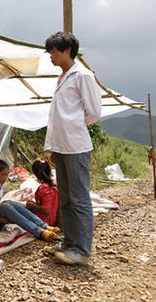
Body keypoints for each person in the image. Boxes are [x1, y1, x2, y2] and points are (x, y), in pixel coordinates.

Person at [43, 31, 102, 265]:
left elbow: (94, 112)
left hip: (76, 146)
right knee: (66, 198)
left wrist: (74, 127)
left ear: (67, 50)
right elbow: (58, 117)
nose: (51, 56)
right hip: (63, 146)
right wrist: (56, 146)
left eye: (54, 52)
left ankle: (82, 250)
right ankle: (69, 242)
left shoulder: (83, 75)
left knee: (80, 199)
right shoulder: (63, 77)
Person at [0, 159, 59, 241]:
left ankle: (44, 226)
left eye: (6, 175)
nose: (5, 178)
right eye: (3, 175)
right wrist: (3, 220)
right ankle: (39, 232)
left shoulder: (2, 185)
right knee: (5, 206)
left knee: (8, 202)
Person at [26, 160, 59, 226]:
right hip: (51, 218)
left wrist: (32, 205)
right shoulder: (54, 184)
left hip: (44, 221)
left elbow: (46, 210)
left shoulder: (45, 189)